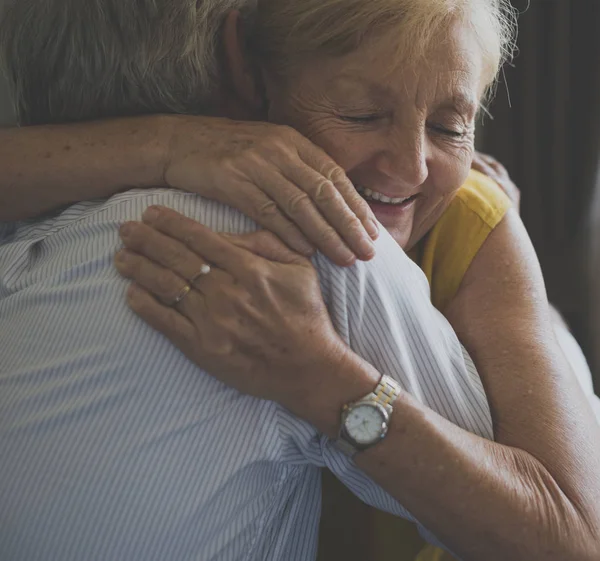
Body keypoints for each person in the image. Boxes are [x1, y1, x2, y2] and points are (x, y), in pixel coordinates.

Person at [0, 2, 599, 561]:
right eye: (363, 115)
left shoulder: (461, 221)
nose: (412, 165)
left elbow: (569, 532)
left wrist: (322, 377)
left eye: (451, 127)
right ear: (253, 78)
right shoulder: (295, 233)